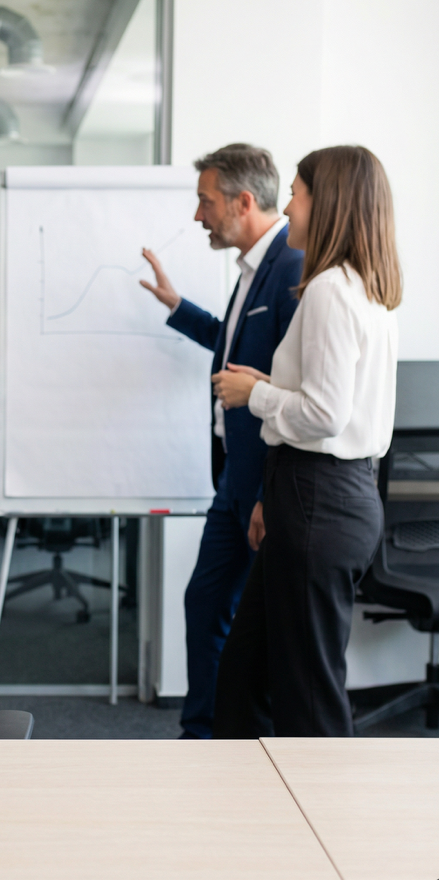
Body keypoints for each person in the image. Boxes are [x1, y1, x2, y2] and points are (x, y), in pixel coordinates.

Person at [211, 145, 401, 738]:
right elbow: (331, 403)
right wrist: (273, 491)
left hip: (320, 494)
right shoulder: (364, 290)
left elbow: (323, 414)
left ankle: (326, 827)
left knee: (308, 695)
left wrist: (254, 397)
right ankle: (252, 808)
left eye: (296, 192)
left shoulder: (328, 291)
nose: (288, 205)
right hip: (318, 490)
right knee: (246, 674)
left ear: (329, 203)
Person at [139, 144, 303, 739]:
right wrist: (178, 307)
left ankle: (248, 742)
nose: (198, 215)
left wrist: (267, 493)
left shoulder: (292, 266)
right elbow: (234, 353)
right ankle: (202, 734)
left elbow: (287, 387)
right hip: (231, 481)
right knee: (205, 604)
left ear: (242, 200)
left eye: (206, 201)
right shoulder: (253, 269)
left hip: (262, 484)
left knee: (265, 626)